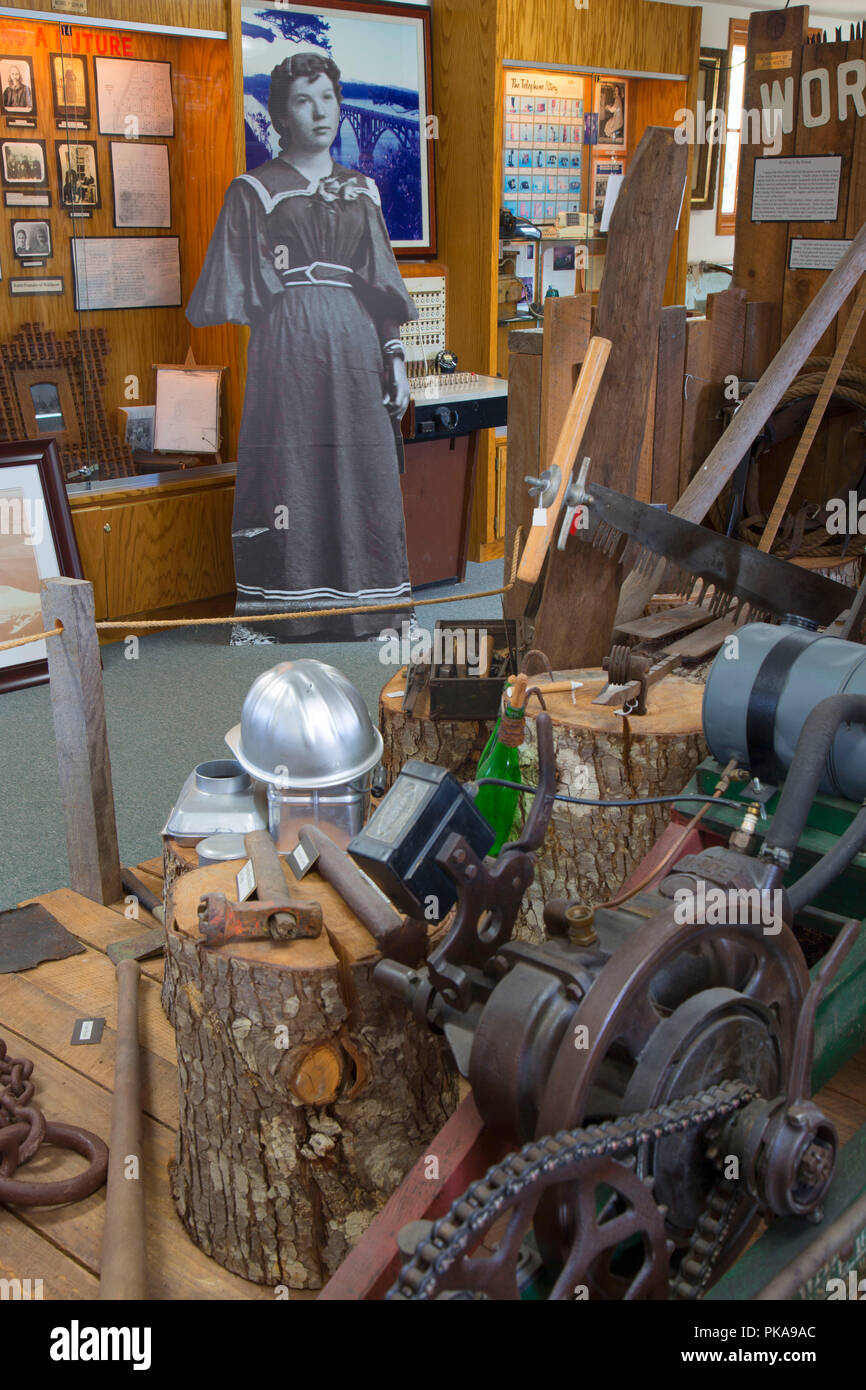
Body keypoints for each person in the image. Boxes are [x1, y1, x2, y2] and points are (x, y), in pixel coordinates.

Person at [187, 51, 418, 643]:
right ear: (281, 115)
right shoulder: (254, 190)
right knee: (286, 469)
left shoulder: (361, 188)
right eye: (302, 100)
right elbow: (241, 283)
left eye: (328, 98)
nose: (320, 112)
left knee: (365, 464)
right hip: (286, 347)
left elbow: (379, 282)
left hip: (357, 344)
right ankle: (277, 611)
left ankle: (375, 608)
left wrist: (395, 357)